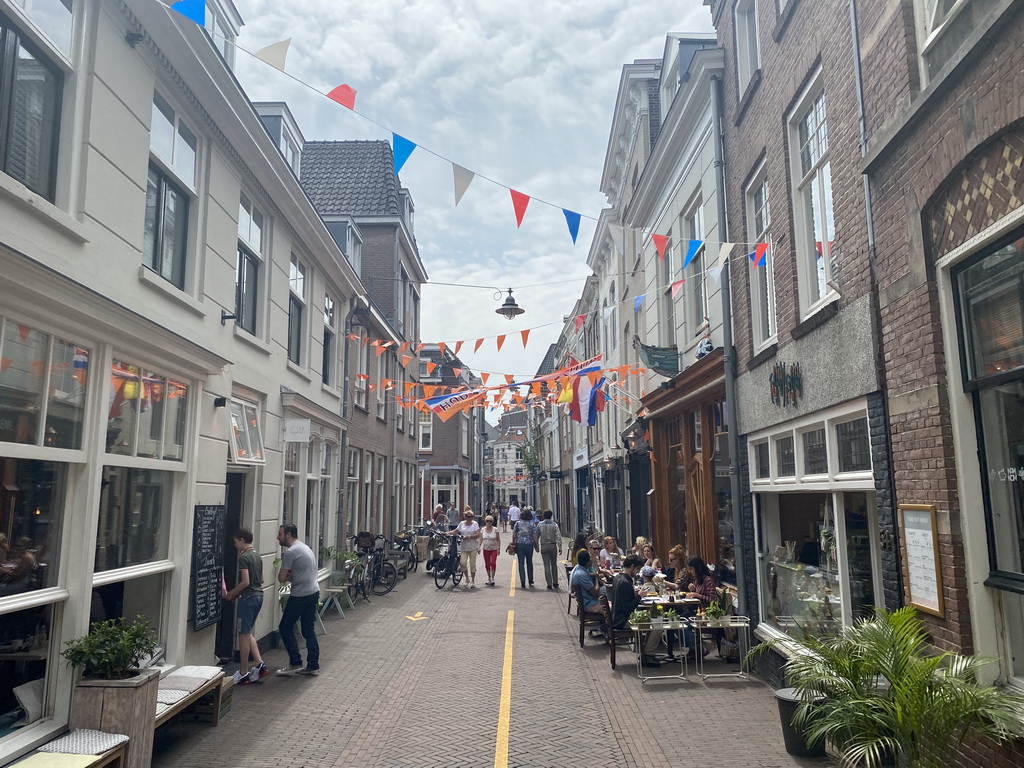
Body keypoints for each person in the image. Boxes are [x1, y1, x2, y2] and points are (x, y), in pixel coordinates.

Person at [224, 528, 268, 684]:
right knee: (248, 631)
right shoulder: (257, 556)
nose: (235, 545)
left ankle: (243, 672)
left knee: (243, 634)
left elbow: (245, 581)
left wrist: (232, 593)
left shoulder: (243, 558)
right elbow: (261, 579)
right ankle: (259, 663)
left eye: (235, 542)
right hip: (259, 596)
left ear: (242, 540)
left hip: (248, 598)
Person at [275, 524, 320, 675]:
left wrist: (289, 575)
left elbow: (281, 578)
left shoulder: (291, 552)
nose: (277, 537)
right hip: (313, 591)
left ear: (288, 534)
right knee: (308, 628)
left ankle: (295, 662)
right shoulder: (305, 547)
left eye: (280, 534)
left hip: (300, 594)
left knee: (285, 627)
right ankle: (313, 664)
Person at [611, 555, 663, 667]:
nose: (638, 572)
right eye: (638, 569)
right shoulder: (625, 583)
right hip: (622, 621)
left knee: (652, 620)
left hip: (617, 617)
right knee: (658, 623)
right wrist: (639, 596)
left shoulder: (618, 578)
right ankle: (648, 654)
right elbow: (627, 608)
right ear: (633, 567)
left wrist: (635, 595)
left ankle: (646, 652)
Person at [454, 508, 481, 588]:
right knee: (463, 563)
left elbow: (478, 534)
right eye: (468, 517)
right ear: (465, 517)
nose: (470, 518)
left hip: (473, 547)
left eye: (471, 517)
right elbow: (456, 531)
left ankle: (472, 580)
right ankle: (466, 578)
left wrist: (469, 536)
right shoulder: (462, 524)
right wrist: (445, 533)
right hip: (464, 547)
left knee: (472, 564)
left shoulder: (475, 524)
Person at [513, 509, 539, 588]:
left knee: (521, 563)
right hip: (529, 544)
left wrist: (513, 542)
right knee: (529, 562)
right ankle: (530, 580)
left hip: (519, 544)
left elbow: (514, 534)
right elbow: (535, 535)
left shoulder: (517, 523)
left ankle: (523, 581)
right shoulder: (532, 524)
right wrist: (536, 545)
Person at [537, 510, 562, 590]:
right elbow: (558, 535)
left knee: (546, 565)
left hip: (544, 545)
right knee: (554, 564)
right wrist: (560, 547)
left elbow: (536, 535)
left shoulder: (540, 524)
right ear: (551, 516)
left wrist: (536, 546)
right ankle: (555, 582)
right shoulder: (554, 525)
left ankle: (549, 583)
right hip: (552, 545)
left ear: (543, 516)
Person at [480, 515, 501, 586]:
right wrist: (478, 547)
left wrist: (498, 548)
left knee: (493, 563)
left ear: (492, 522)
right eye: (487, 521)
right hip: (485, 549)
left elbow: (498, 539)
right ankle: (488, 577)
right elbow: (480, 539)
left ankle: (493, 578)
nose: (489, 523)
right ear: (485, 522)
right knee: (487, 564)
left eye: (490, 521)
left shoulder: (495, 529)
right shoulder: (482, 529)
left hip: (494, 548)